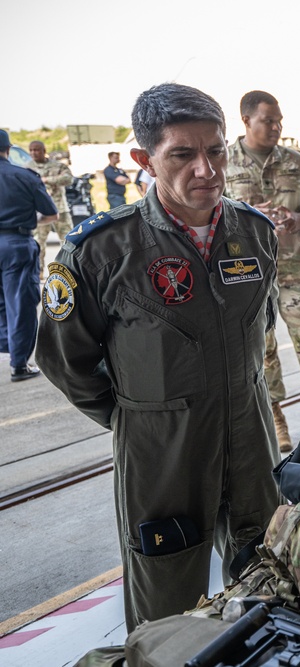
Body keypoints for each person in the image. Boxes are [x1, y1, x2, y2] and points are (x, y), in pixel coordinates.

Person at [36, 83, 282, 632]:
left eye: (216, 151)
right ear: (144, 160)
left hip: (249, 436)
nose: (206, 170)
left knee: (272, 580)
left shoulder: (255, 233)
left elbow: (260, 323)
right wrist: (136, 415)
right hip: (160, 453)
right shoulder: (102, 251)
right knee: (167, 608)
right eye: (183, 154)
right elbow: (63, 359)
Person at [225, 90, 300, 452]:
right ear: (246, 120)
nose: (276, 127)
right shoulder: (222, 163)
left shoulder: (297, 163)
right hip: (245, 275)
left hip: (294, 273)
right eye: (268, 121)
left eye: (279, 121)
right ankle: (275, 417)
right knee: (261, 350)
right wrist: (242, 215)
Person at [0, 129, 56, 381]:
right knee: (20, 304)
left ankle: (7, 343)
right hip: (16, 244)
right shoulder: (24, 176)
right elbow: (50, 214)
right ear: (8, 149)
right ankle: (19, 364)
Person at [26, 140, 73, 276]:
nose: (34, 152)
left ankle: (70, 271)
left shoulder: (57, 166)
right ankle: (38, 271)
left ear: (44, 150)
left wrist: (47, 180)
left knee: (68, 241)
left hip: (60, 209)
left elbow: (68, 178)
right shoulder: (27, 168)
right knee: (38, 242)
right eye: (31, 150)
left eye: (37, 150)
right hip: (39, 212)